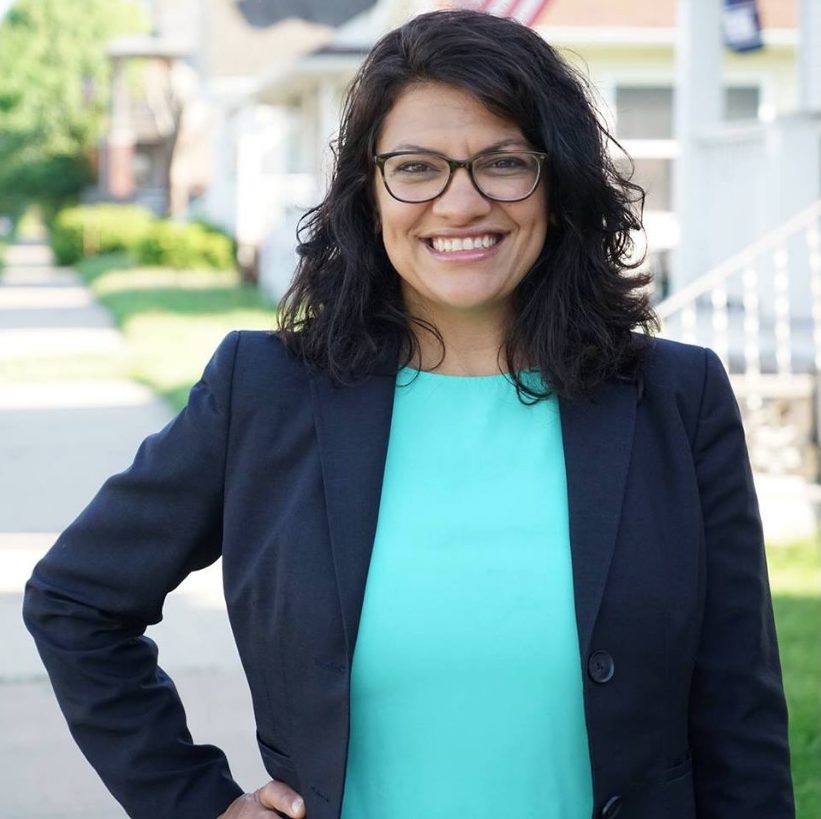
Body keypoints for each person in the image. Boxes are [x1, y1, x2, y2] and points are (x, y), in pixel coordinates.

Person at [23, 9, 794, 819]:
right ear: (369, 191)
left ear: (558, 183)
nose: (459, 203)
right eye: (416, 167)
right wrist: (196, 802)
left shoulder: (675, 399)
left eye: (503, 162)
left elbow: (738, 718)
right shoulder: (264, 392)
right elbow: (75, 599)